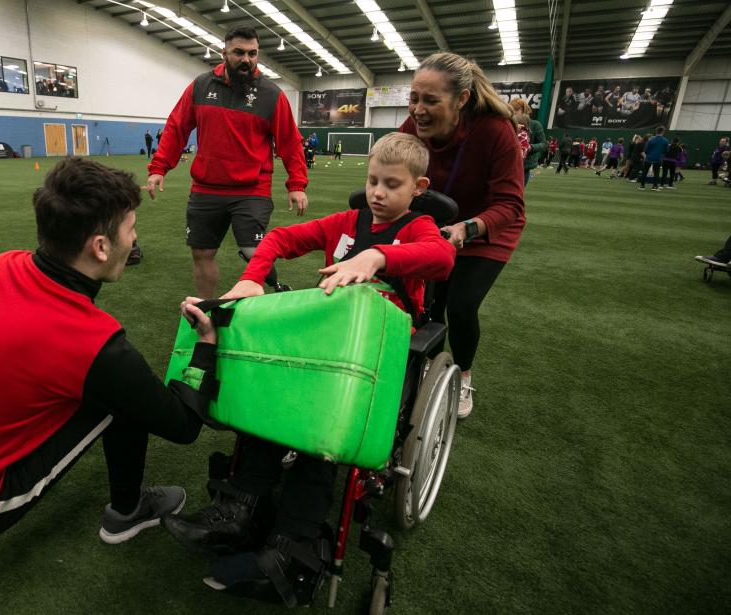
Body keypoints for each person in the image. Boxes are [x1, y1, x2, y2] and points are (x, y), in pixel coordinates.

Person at [162, 132, 455, 604]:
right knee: (272, 397)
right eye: (373, 181)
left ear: (418, 187)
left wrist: (378, 255)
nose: (378, 193)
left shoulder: (419, 228)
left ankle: (293, 547)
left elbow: (443, 257)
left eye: (392, 185)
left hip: (375, 354)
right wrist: (252, 278)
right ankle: (241, 510)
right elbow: (279, 238)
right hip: (327, 343)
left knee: (321, 430)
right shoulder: (348, 222)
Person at [0, 157, 219, 543]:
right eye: (131, 229)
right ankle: (127, 512)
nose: (134, 239)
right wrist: (205, 346)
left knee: (108, 387)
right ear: (100, 247)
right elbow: (182, 425)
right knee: (121, 400)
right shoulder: (94, 346)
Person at [396, 51, 524, 418]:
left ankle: (462, 376)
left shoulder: (495, 129)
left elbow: (510, 204)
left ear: (461, 99)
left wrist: (466, 228)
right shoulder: (410, 128)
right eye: (414, 98)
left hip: (486, 228)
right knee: (427, 303)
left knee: (461, 304)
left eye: (430, 100)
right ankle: (431, 367)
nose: (418, 109)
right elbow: (395, 175)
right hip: (436, 227)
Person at [145, 25, 308, 298]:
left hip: (251, 189)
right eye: (239, 52)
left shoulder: (271, 95)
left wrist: (297, 184)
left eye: (252, 54)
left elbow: (290, 141)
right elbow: (176, 127)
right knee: (202, 253)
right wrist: (159, 167)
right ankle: (206, 308)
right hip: (206, 187)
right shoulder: (200, 86)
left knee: (253, 252)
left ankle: (273, 288)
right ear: (224, 53)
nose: (246, 59)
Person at [508, 99, 546, 185]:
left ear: (521, 110)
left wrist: (530, 147)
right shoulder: (508, 123)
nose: (511, 114)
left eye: (513, 111)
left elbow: (544, 144)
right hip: (507, 164)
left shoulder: (535, 124)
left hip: (524, 166)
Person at [639, 126, 668, 191]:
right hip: (658, 158)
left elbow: (646, 150)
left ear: (656, 131)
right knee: (656, 173)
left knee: (645, 172)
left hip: (648, 158)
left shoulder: (651, 139)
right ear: (662, 132)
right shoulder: (665, 140)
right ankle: (654, 186)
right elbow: (666, 151)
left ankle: (642, 186)